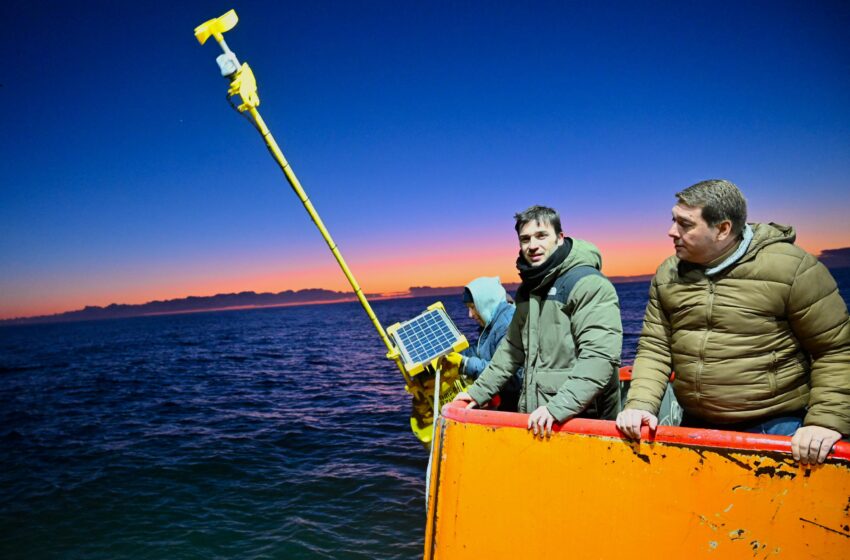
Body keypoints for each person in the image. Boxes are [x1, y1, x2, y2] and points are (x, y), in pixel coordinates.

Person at [617, 179, 850, 464]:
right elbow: (656, 347)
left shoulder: (794, 269)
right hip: (695, 425)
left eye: (685, 224)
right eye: (673, 220)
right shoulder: (668, 273)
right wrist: (640, 404)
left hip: (777, 426)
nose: (671, 232)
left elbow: (835, 349)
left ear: (723, 229)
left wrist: (825, 420)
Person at [454, 205, 622, 436]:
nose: (533, 245)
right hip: (541, 420)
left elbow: (600, 358)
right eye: (525, 239)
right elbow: (512, 350)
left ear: (560, 238)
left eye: (541, 235)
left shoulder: (588, 284)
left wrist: (557, 409)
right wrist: (478, 392)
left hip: (583, 422)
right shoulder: (528, 291)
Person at [442, 277, 521, 411]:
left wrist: (465, 364)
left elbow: (511, 376)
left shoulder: (508, 325)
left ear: (486, 303)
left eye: (473, 307)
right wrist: (455, 356)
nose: (470, 315)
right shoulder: (493, 323)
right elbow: (481, 351)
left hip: (517, 407)